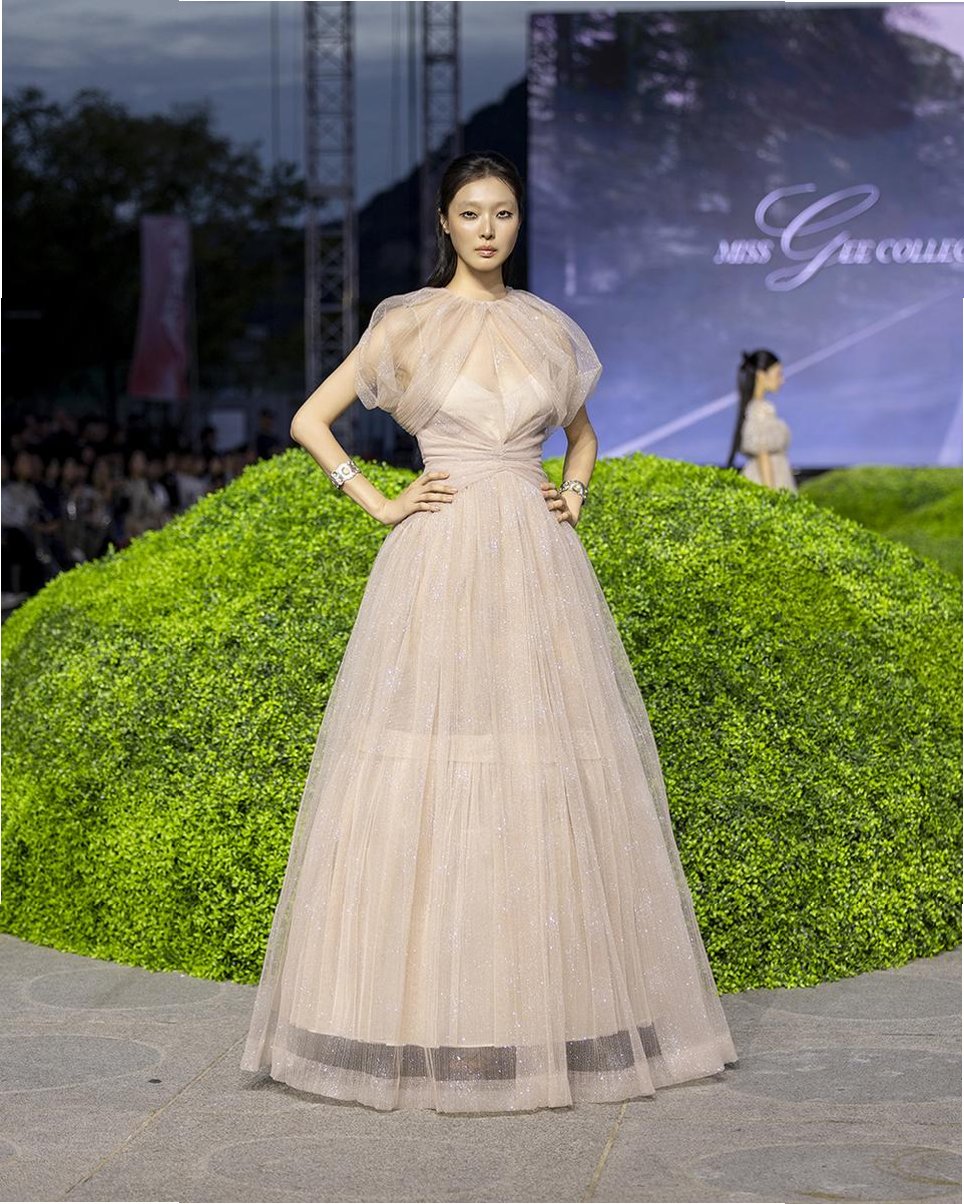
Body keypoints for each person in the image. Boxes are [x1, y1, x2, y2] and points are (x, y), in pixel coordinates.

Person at [240, 151, 738, 1113]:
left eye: (502, 213)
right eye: (470, 213)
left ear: (518, 223)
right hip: (437, 558)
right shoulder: (408, 323)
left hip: (539, 567)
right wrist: (377, 501)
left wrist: (574, 493)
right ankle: (419, 1013)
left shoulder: (547, 328)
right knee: (429, 759)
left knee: (541, 759)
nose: (486, 229)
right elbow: (310, 420)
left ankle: (538, 1010)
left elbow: (582, 434)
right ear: (444, 223)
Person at [726, 349, 798, 492]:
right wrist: (771, 495)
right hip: (769, 480)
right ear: (761, 375)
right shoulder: (760, 410)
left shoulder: (757, 408)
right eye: (778, 374)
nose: (782, 380)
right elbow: (763, 454)